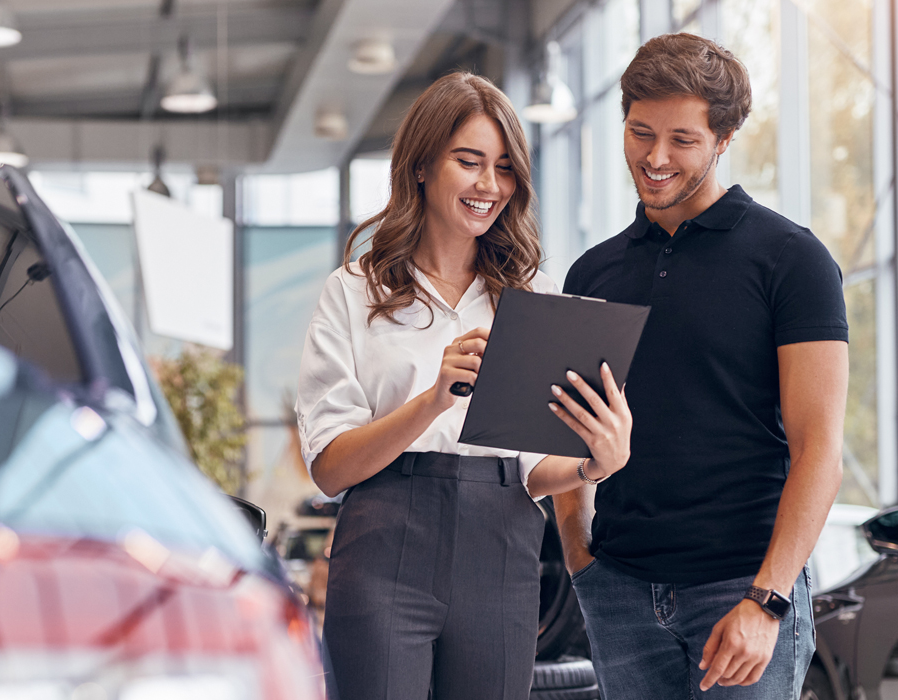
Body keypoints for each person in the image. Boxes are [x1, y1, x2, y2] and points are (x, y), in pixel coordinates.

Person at [295, 72, 632, 700]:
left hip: (501, 553)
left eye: (504, 168)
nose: (489, 186)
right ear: (421, 167)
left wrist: (594, 464)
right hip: (383, 552)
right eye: (469, 162)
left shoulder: (528, 300)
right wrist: (432, 400)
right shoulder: (353, 292)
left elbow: (531, 469)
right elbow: (331, 469)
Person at [553, 33, 848, 699]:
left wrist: (767, 601)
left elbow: (820, 450)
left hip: (741, 591)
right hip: (619, 593)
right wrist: (581, 559)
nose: (655, 158)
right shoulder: (592, 271)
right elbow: (569, 433)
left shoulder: (790, 260)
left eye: (682, 139)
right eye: (640, 133)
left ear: (725, 137)